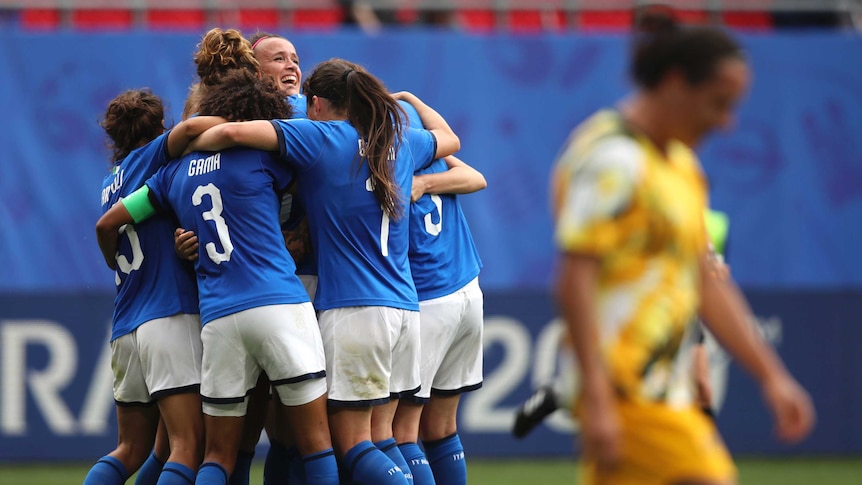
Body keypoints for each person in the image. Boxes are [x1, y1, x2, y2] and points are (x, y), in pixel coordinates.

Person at [550, 12, 814, 485]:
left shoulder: (681, 165)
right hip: (626, 390)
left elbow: (706, 281)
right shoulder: (613, 159)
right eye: (718, 103)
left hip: (665, 391)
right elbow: (575, 278)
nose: (727, 123)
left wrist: (772, 376)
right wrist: (597, 394)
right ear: (675, 83)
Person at [184, 58, 460, 485]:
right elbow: (449, 139)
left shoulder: (321, 136)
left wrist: (184, 140)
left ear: (316, 103)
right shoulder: (399, 139)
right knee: (385, 439)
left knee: (352, 444)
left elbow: (234, 132)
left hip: (354, 309)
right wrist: (411, 101)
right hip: (405, 309)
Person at [97, 68, 342, 485]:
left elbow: (112, 222)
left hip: (218, 319)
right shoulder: (261, 153)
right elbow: (305, 190)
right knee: (316, 443)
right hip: (277, 303)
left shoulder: (168, 176)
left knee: (216, 456)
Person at [82, 89, 226, 485]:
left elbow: (112, 230)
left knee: (131, 449)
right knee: (188, 446)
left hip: (126, 324)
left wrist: (112, 258)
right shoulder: (155, 158)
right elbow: (194, 128)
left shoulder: (110, 183)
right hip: (168, 316)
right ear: (162, 128)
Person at [390, 99, 486, 485]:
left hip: (429, 300)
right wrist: (413, 99)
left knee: (400, 431)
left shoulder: (389, 161)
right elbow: (477, 177)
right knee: (442, 427)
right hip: (468, 291)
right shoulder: (436, 161)